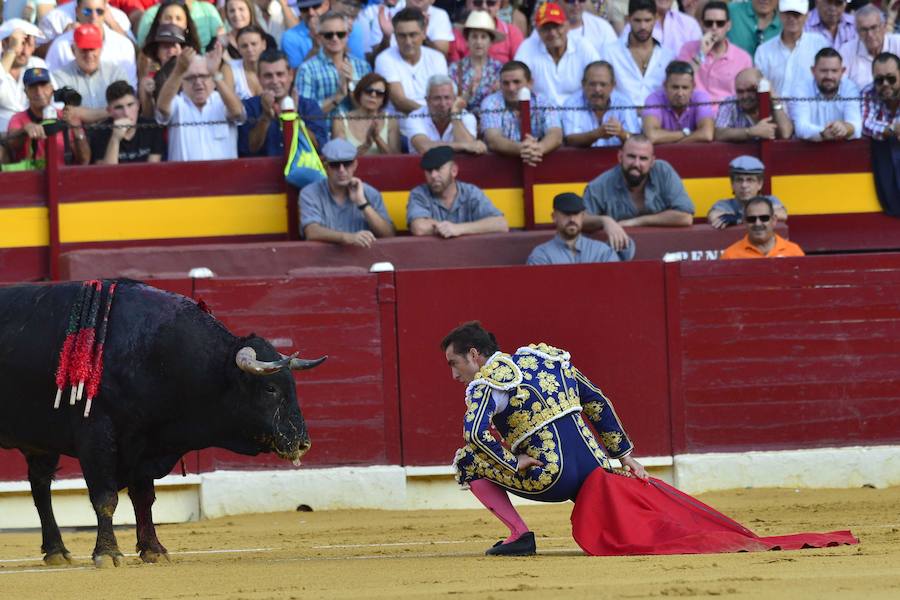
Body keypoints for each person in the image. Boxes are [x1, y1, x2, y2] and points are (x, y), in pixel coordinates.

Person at [581, 135, 694, 254]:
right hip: (618, 256)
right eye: (631, 156)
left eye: (643, 158)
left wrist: (635, 222)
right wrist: (605, 221)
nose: (636, 163)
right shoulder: (600, 185)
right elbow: (581, 220)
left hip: (663, 250)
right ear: (620, 157)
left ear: (652, 162)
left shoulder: (663, 172)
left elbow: (685, 217)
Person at [155, 46, 246, 161]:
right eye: (191, 78)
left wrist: (215, 73)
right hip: (184, 177)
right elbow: (162, 109)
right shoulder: (177, 103)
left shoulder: (222, 101)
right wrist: (178, 71)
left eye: (204, 76)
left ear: (213, 79)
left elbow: (237, 113)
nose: (198, 82)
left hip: (223, 177)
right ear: (182, 82)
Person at [299, 138, 396, 245]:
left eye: (347, 163)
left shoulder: (370, 193)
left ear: (355, 165)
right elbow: (311, 232)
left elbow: (388, 235)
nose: (341, 170)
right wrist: (347, 237)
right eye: (335, 164)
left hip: (365, 260)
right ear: (325, 166)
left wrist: (363, 204)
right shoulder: (310, 193)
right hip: (324, 261)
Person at [239, 49, 327, 158]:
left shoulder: (308, 106)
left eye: (280, 74)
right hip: (261, 173)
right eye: (268, 76)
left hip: (301, 173)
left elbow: (319, 147)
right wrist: (265, 117)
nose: (275, 81)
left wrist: (294, 119)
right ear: (259, 78)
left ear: (291, 75)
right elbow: (248, 149)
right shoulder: (249, 107)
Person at [407, 145, 508, 238]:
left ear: (454, 171)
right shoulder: (419, 193)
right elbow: (419, 227)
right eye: (429, 171)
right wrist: (447, 228)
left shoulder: (471, 192)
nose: (433, 175)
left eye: (438, 169)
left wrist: (458, 228)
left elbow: (501, 224)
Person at [513, 2, 599, 107]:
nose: (552, 33)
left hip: (578, 111)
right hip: (541, 112)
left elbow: (598, 76)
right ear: (538, 30)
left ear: (567, 26)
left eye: (557, 26)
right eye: (546, 28)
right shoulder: (528, 46)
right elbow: (516, 79)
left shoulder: (583, 45)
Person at [479, 60, 562, 166]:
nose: (511, 88)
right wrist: (523, 150)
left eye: (516, 82)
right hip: (500, 169)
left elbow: (556, 134)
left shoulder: (545, 102)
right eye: (505, 83)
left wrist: (539, 148)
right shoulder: (491, 103)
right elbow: (493, 139)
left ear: (530, 83)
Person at [296, 11, 371, 126]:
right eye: (328, 35)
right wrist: (338, 96)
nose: (335, 38)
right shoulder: (307, 70)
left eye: (340, 34)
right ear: (319, 37)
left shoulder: (362, 66)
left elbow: (369, 111)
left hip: (357, 134)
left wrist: (351, 89)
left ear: (347, 35)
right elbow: (306, 115)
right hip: (324, 137)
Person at [6, 67, 90, 166]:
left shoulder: (66, 115)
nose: (39, 92)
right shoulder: (18, 119)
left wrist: (76, 128)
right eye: (33, 87)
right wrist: (25, 129)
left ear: (51, 88)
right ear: (26, 92)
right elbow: (12, 145)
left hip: (65, 176)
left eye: (43, 85)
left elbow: (85, 159)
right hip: (33, 177)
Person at [599, 0, 676, 109]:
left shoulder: (668, 56)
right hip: (619, 120)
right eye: (637, 20)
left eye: (647, 20)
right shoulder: (610, 52)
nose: (643, 26)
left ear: (656, 19)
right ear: (628, 19)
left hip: (657, 122)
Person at [44, 0, 137, 86]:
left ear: (106, 12)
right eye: (87, 11)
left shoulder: (124, 45)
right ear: (77, 12)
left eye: (99, 11)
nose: (93, 17)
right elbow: (52, 87)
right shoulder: (61, 46)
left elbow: (130, 87)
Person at [374, 7, 448, 114]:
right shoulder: (384, 59)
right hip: (399, 119)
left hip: (435, 118)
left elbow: (442, 96)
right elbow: (399, 101)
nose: (408, 41)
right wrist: (433, 114)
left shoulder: (437, 58)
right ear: (395, 35)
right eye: (402, 36)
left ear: (423, 33)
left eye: (413, 35)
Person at [677, 1, 753, 104]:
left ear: (728, 25)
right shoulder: (688, 49)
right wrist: (701, 54)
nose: (714, 27)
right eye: (709, 23)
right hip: (695, 112)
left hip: (727, 115)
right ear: (702, 24)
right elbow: (679, 82)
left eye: (720, 23)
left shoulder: (743, 58)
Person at [753, 0, 828, 97]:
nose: (792, 19)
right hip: (773, 109)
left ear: (806, 16)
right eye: (787, 14)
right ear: (780, 14)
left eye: (797, 15)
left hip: (811, 110)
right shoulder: (763, 50)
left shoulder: (819, 44)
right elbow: (761, 86)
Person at [527, 192, 627, 265]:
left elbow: (613, 287)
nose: (572, 219)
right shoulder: (541, 255)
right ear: (554, 217)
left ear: (583, 216)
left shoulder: (603, 252)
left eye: (576, 214)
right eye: (566, 214)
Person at [561, 60, 641, 148]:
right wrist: (596, 134)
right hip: (581, 160)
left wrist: (621, 133)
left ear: (612, 86)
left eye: (603, 84)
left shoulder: (624, 102)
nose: (597, 89)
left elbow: (637, 141)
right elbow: (570, 140)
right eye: (592, 84)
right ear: (583, 84)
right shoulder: (572, 103)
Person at [789, 47, 862, 142]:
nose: (829, 76)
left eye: (834, 71)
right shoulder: (801, 89)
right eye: (823, 71)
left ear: (842, 71)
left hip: (842, 152)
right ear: (813, 71)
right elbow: (801, 128)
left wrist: (845, 128)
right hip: (808, 152)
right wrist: (823, 133)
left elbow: (856, 126)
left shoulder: (849, 88)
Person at [53, 24, 131, 111]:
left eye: (92, 49)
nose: (89, 55)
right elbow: (66, 115)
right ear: (73, 49)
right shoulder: (59, 77)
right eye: (84, 50)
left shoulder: (116, 73)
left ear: (101, 49)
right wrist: (110, 112)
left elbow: (126, 109)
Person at [403, 74, 484, 155]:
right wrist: (462, 145)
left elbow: (471, 150)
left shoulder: (467, 117)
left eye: (447, 97)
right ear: (427, 100)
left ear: (455, 99)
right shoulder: (414, 117)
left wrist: (455, 116)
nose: (442, 104)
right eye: (437, 98)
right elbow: (424, 147)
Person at [861, 52, 900, 215]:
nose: (885, 84)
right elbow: (866, 124)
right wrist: (891, 129)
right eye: (879, 80)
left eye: (891, 78)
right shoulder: (869, 92)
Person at [90, 80, 165, 164]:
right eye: (119, 107)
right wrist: (115, 139)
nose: (126, 113)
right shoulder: (100, 132)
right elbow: (106, 174)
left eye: (130, 105)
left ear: (138, 106)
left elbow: (153, 170)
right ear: (109, 111)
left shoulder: (151, 127)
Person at [641, 60, 715, 144]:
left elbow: (707, 134)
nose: (680, 93)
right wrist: (688, 133)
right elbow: (652, 136)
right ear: (665, 86)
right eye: (675, 87)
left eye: (685, 87)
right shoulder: (654, 99)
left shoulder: (701, 97)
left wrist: (676, 144)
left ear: (693, 87)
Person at [331, 71, 402, 155]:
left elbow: (396, 159)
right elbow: (340, 158)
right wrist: (366, 145)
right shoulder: (340, 120)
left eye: (379, 93)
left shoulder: (391, 120)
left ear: (384, 99)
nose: (373, 95)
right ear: (359, 93)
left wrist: (377, 139)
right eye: (368, 91)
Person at [707, 156, 788, 228]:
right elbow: (714, 216)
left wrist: (739, 218)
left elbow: (782, 214)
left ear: (760, 184)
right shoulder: (724, 204)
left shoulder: (770, 201)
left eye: (750, 180)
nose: (744, 185)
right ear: (732, 184)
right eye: (739, 180)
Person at [714, 67, 793, 141]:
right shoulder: (730, 103)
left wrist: (774, 99)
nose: (745, 96)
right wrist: (750, 132)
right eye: (740, 91)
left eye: (750, 90)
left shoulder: (776, 101)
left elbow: (786, 134)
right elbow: (718, 133)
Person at [0, 20, 51, 133]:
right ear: (4, 44)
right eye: (21, 44)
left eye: (30, 45)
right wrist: (12, 51)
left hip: (36, 131)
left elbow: (53, 99)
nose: (25, 52)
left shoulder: (37, 64)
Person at [448, 11, 504, 112]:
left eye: (483, 37)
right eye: (474, 36)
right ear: (467, 40)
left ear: (490, 42)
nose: (478, 42)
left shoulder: (500, 69)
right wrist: (467, 94)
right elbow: (450, 104)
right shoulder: (455, 68)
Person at [721, 196, 804, 259]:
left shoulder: (794, 252)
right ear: (745, 222)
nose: (758, 223)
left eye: (764, 218)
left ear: (774, 220)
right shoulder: (730, 256)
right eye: (752, 219)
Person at [839, 5, 900, 90]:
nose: (870, 35)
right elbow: (841, 86)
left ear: (884, 26)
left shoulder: (898, 43)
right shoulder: (847, 50)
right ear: (857, 31)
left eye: (874, 27)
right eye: (864, 30)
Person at [447, 0, 524, 63]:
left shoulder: (513, 33)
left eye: (491, 3)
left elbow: (519, 70)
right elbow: (455, 71)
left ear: (499, 5)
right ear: (468, 3)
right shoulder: (455, 35)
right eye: (477, 2)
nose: (484, 7)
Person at [136, 0, 225, 50]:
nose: (173, 22)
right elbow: (144, 51)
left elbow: (221, 42)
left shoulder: (208, 9)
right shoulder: (151, 14)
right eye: (168, 18)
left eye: (178, 18)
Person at [281, 0, 328, 69]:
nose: (311, 13)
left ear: (325, 5)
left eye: (315, 6)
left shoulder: (338, 29)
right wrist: (315, 48)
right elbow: (295, 74)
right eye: (304, 8)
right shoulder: (290, 37)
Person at [225, 25, 266, 101]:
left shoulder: (273, 66)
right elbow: (227, 102)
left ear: (264, 45)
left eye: (254, 44)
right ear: (238, 48)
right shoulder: (230, 68)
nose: (250, 49)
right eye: (244, 46)